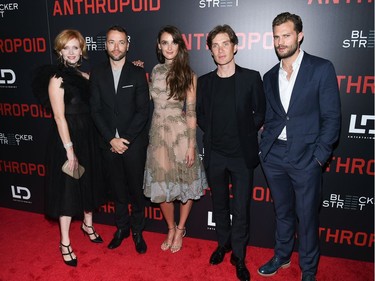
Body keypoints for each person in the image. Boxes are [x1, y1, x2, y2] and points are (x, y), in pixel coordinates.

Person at [257, 12, 341, 281]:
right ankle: (281, 256)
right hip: (274, 157)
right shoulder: (270, 76)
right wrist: (265, 149)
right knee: (282, 213)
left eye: (286, 35)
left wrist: (319, 157)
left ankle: (308, 271)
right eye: (276, 37)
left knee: (306, 219)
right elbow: (272, 116)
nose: (280, 42)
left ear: (299, 36)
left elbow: (332, 117)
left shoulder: (321, 68)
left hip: (307, 158)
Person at [31, 29, 106, 267]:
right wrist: (69, 149)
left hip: (89, 137)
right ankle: (64, 242)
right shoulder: (56, 78)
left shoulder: (85, 76)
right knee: (68, 190)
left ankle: (88, 224)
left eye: (76, 47)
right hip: (68, 140)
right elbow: (59, 117)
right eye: (67, 48)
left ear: (81, 49)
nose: (72, 52)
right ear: (59, 51)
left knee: (88, 183)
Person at [196, 24, 266, 281]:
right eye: (215, 45)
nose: (220, 49)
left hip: (241, 156)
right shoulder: (204, 82)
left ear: (235, 46)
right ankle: (222, 244)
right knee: (220, 205)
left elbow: (260, 112)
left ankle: (239, 254)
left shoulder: (250, 77)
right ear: (211, 52)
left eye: (225, 43)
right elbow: (200, 115)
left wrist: (246, 132)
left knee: (241, 207)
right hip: (215, 155)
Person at [143, 25, 208, 254]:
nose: (169, 47)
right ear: (159, 46)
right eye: (164, 42)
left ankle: (181, 228)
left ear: (180, 45)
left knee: (186, 185)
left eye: (173, 42)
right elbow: (150, 96)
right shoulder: (156, 70)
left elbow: (190, 112)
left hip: (180, 136)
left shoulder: (189, 75)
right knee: (161, 185)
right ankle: (170, 227)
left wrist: (191, 145)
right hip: (158, 134)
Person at [90, 25, 150, 254]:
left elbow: (143, 111)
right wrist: (110, 139)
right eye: (112, 42)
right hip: (108, 144)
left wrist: (124, 139)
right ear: (105, 45)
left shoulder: (137, 74)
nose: (117, 47)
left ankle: (137, 231)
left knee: (136, 190)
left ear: (128, 45)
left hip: (132, 144)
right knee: (117, 190)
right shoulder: (97, 73)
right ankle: (121, 228)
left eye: (121, 42)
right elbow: (95, 110)